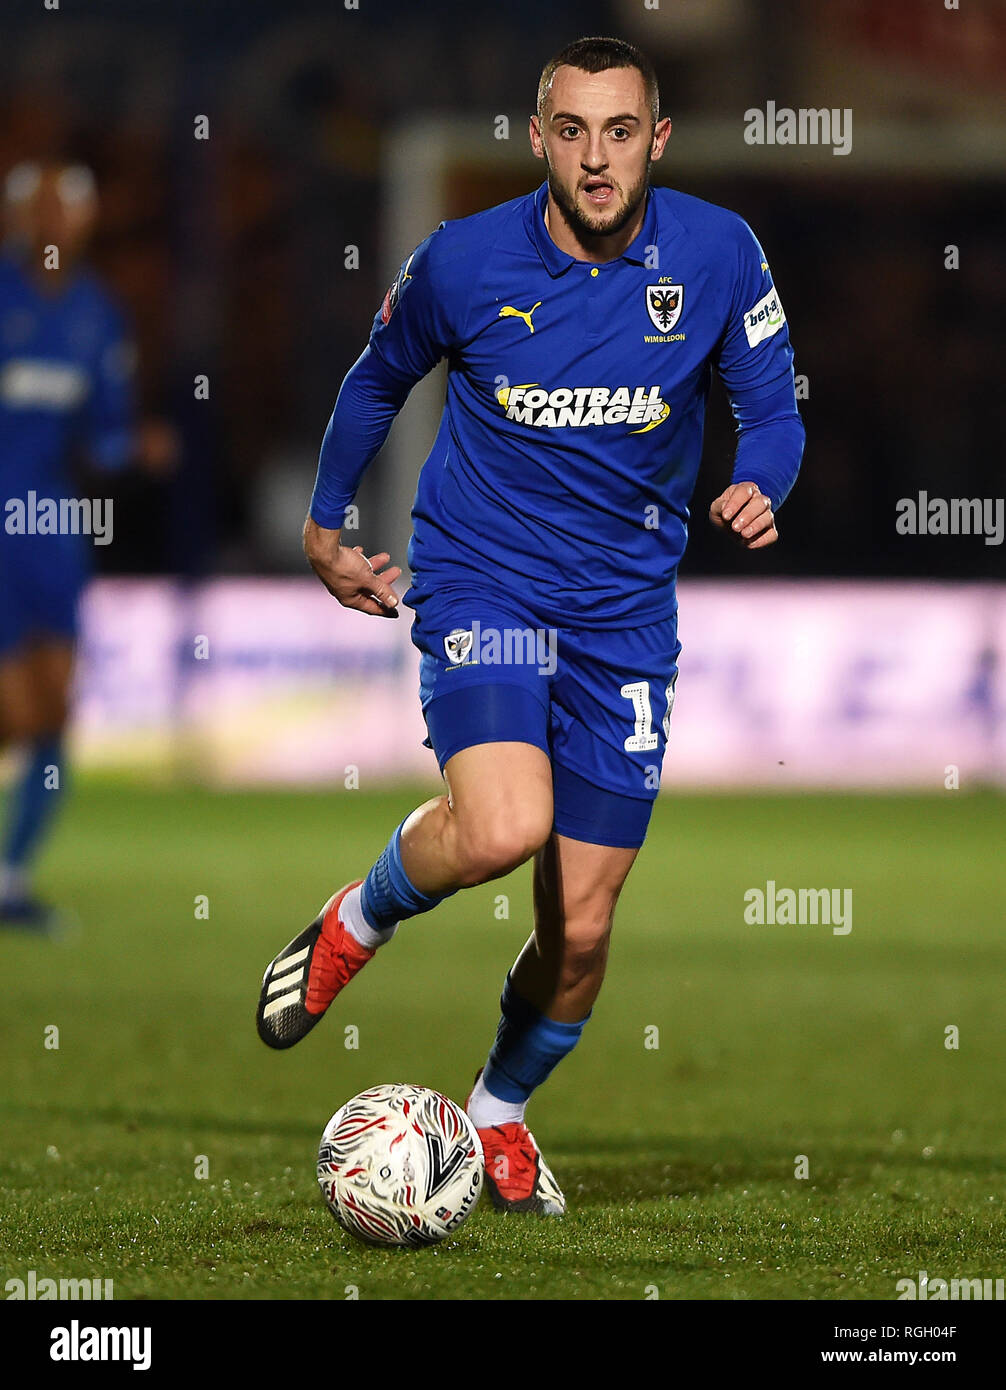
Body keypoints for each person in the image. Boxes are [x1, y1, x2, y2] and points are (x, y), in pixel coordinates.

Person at [256, 36, 805, 1215]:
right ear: (538, 137)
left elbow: (771, 409)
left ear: (655, 139)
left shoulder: (716, 254)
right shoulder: (463, 262)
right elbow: (374, 378)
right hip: (484, 585)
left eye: (621, 131)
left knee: (584, 926)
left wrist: (765, 475)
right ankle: (360, 915)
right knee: (506, 824)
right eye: (573, 130)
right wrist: (323, 523)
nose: (597, 158)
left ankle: (498, 1113)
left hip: (624, 619)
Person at [0, 160, 174, 932]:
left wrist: (136, 446)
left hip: (50, 529)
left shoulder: (97, 315)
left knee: (53, 712)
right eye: (38, 212)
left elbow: (102, 438)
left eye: (63, 213)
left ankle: (11, 882)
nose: (50, 226)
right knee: (14, 706)